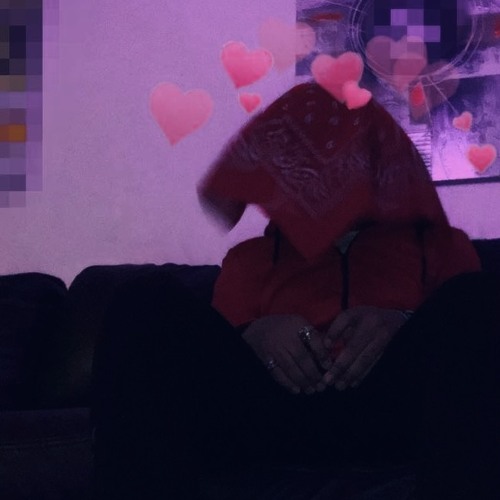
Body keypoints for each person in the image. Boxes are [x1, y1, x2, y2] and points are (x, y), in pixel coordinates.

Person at [91, 83, 500, 500]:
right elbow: (208, 363)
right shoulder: (251, 259)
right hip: (270, 415)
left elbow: (469, 354)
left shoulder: (441, 246)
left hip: (394, 411)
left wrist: (402, 323)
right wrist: (253, 334)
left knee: (479, 298)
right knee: (141, 302)